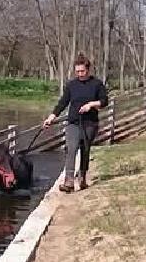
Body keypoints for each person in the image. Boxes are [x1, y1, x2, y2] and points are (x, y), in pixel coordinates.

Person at [43, 54, 108, 193]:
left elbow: (104, 101)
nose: (80, 74)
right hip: (73, 122)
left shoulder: (97, 84)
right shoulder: (72, 85)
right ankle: (69, 181)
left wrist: (91, 104)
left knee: (85, 150)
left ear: (88, 70)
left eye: (82, 71)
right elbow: (63, 103)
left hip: (90, 123)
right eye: (77, 71)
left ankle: (82, 177)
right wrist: (51, 117)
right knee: (71, 148)